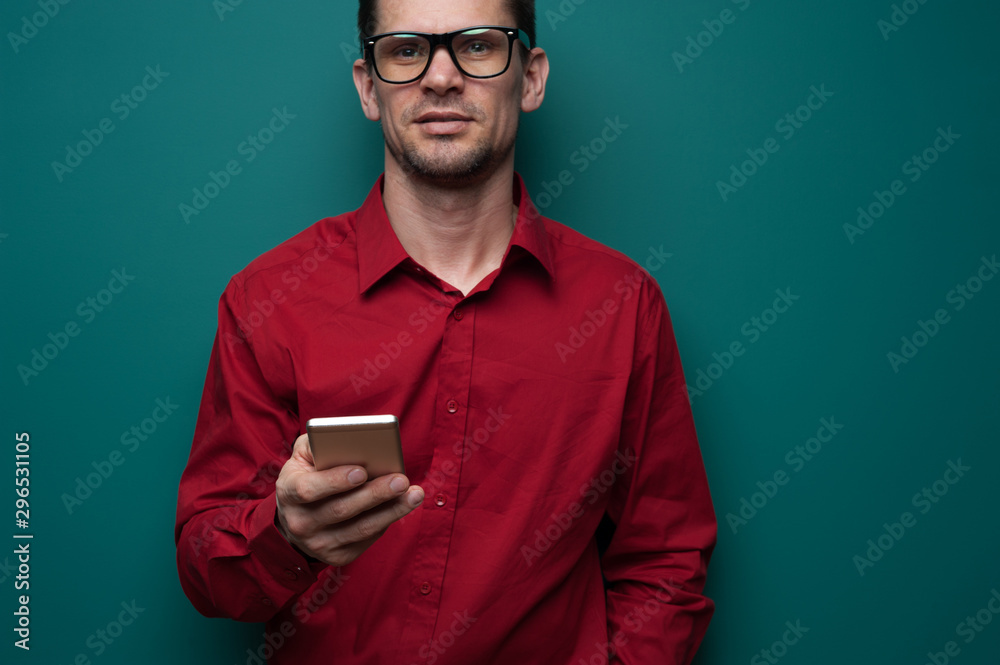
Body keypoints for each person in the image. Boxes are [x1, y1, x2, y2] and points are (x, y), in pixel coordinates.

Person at [174, 0, 717, 663]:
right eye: (405, 50)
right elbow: (207, 567)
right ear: (369, 88)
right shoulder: (268, 300)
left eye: (479, 46)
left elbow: (667, 555)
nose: (440, 78)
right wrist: (284, 534)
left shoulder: (623, 306)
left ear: (532, 77)